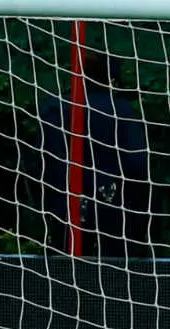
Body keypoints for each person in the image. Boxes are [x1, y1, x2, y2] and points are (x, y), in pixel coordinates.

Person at [37, 50, 150, 259]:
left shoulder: (54, 107)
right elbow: (137, 163)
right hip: (114, 207)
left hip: (64, 206)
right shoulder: (121, 110)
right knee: (113, 272)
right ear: (112, 79)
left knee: (64, 272)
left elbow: (44, 162)